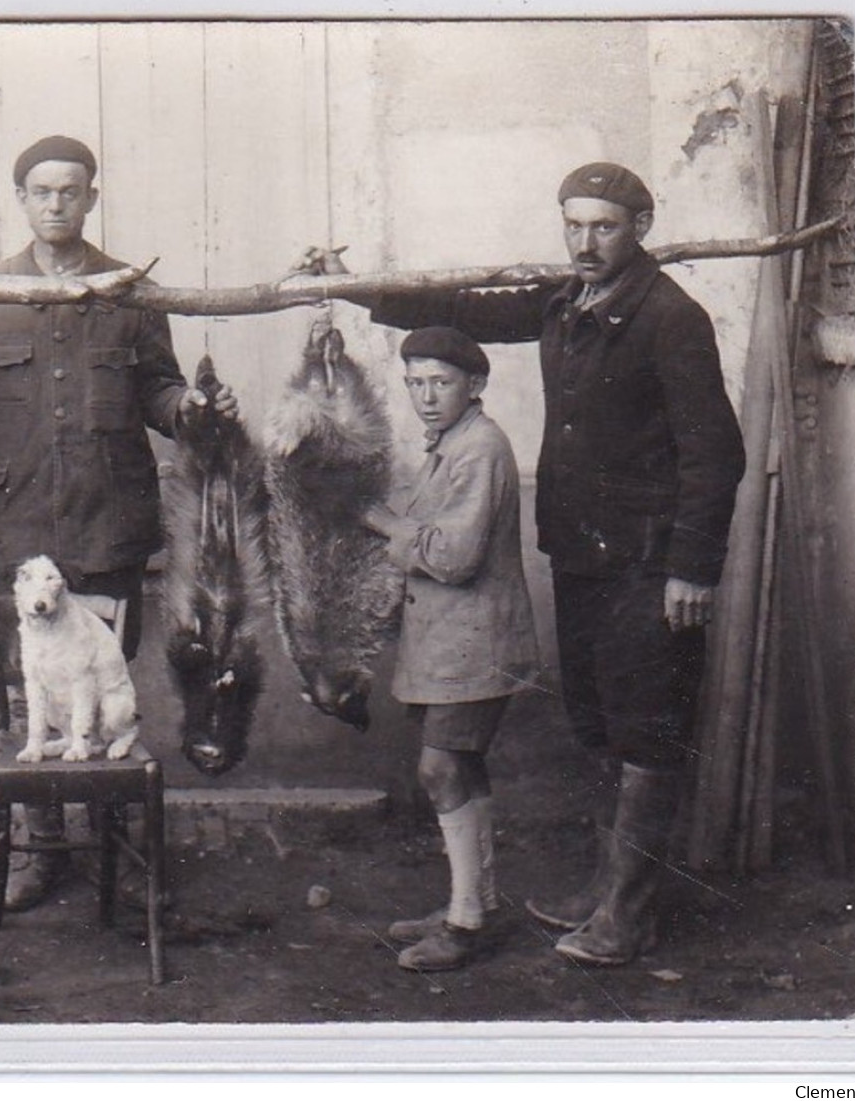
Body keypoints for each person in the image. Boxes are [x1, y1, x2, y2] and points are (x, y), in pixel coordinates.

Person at [311, 162, 746, 965]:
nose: (584, 242)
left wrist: (693, 566)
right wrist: (360, 288)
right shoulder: (561, 302)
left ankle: (629, 916)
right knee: (599, 723)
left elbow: (713, 452)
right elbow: (458, 307)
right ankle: (602, 885)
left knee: (648, 729)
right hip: (580, 553)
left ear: (641, 227)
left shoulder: (669, 318)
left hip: (649, 564)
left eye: (604, 226)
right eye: (572, 225)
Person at [0, 135, 235, 912]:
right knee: (32, 692)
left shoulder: (128, 291)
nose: (56, 203)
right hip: (12, 524)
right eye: (41, 191)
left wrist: (192, 410)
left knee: (104, 682)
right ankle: (44, 851)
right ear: (21, 200)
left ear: (91, 197)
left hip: (107, 527)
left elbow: (160, 395)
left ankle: (113, 844)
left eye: (71, 190)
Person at [362, 327, 539, 972]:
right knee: (460, 768)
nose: (427, 397)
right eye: (416, 383)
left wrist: (382, 522)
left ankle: (468, 924)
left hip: (474, 644)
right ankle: (475, 904)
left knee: (439, 771)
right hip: (446, 645)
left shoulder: (481, 449)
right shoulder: (449, 445)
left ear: (476, 386)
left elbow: (456, 557)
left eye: (441, 383)